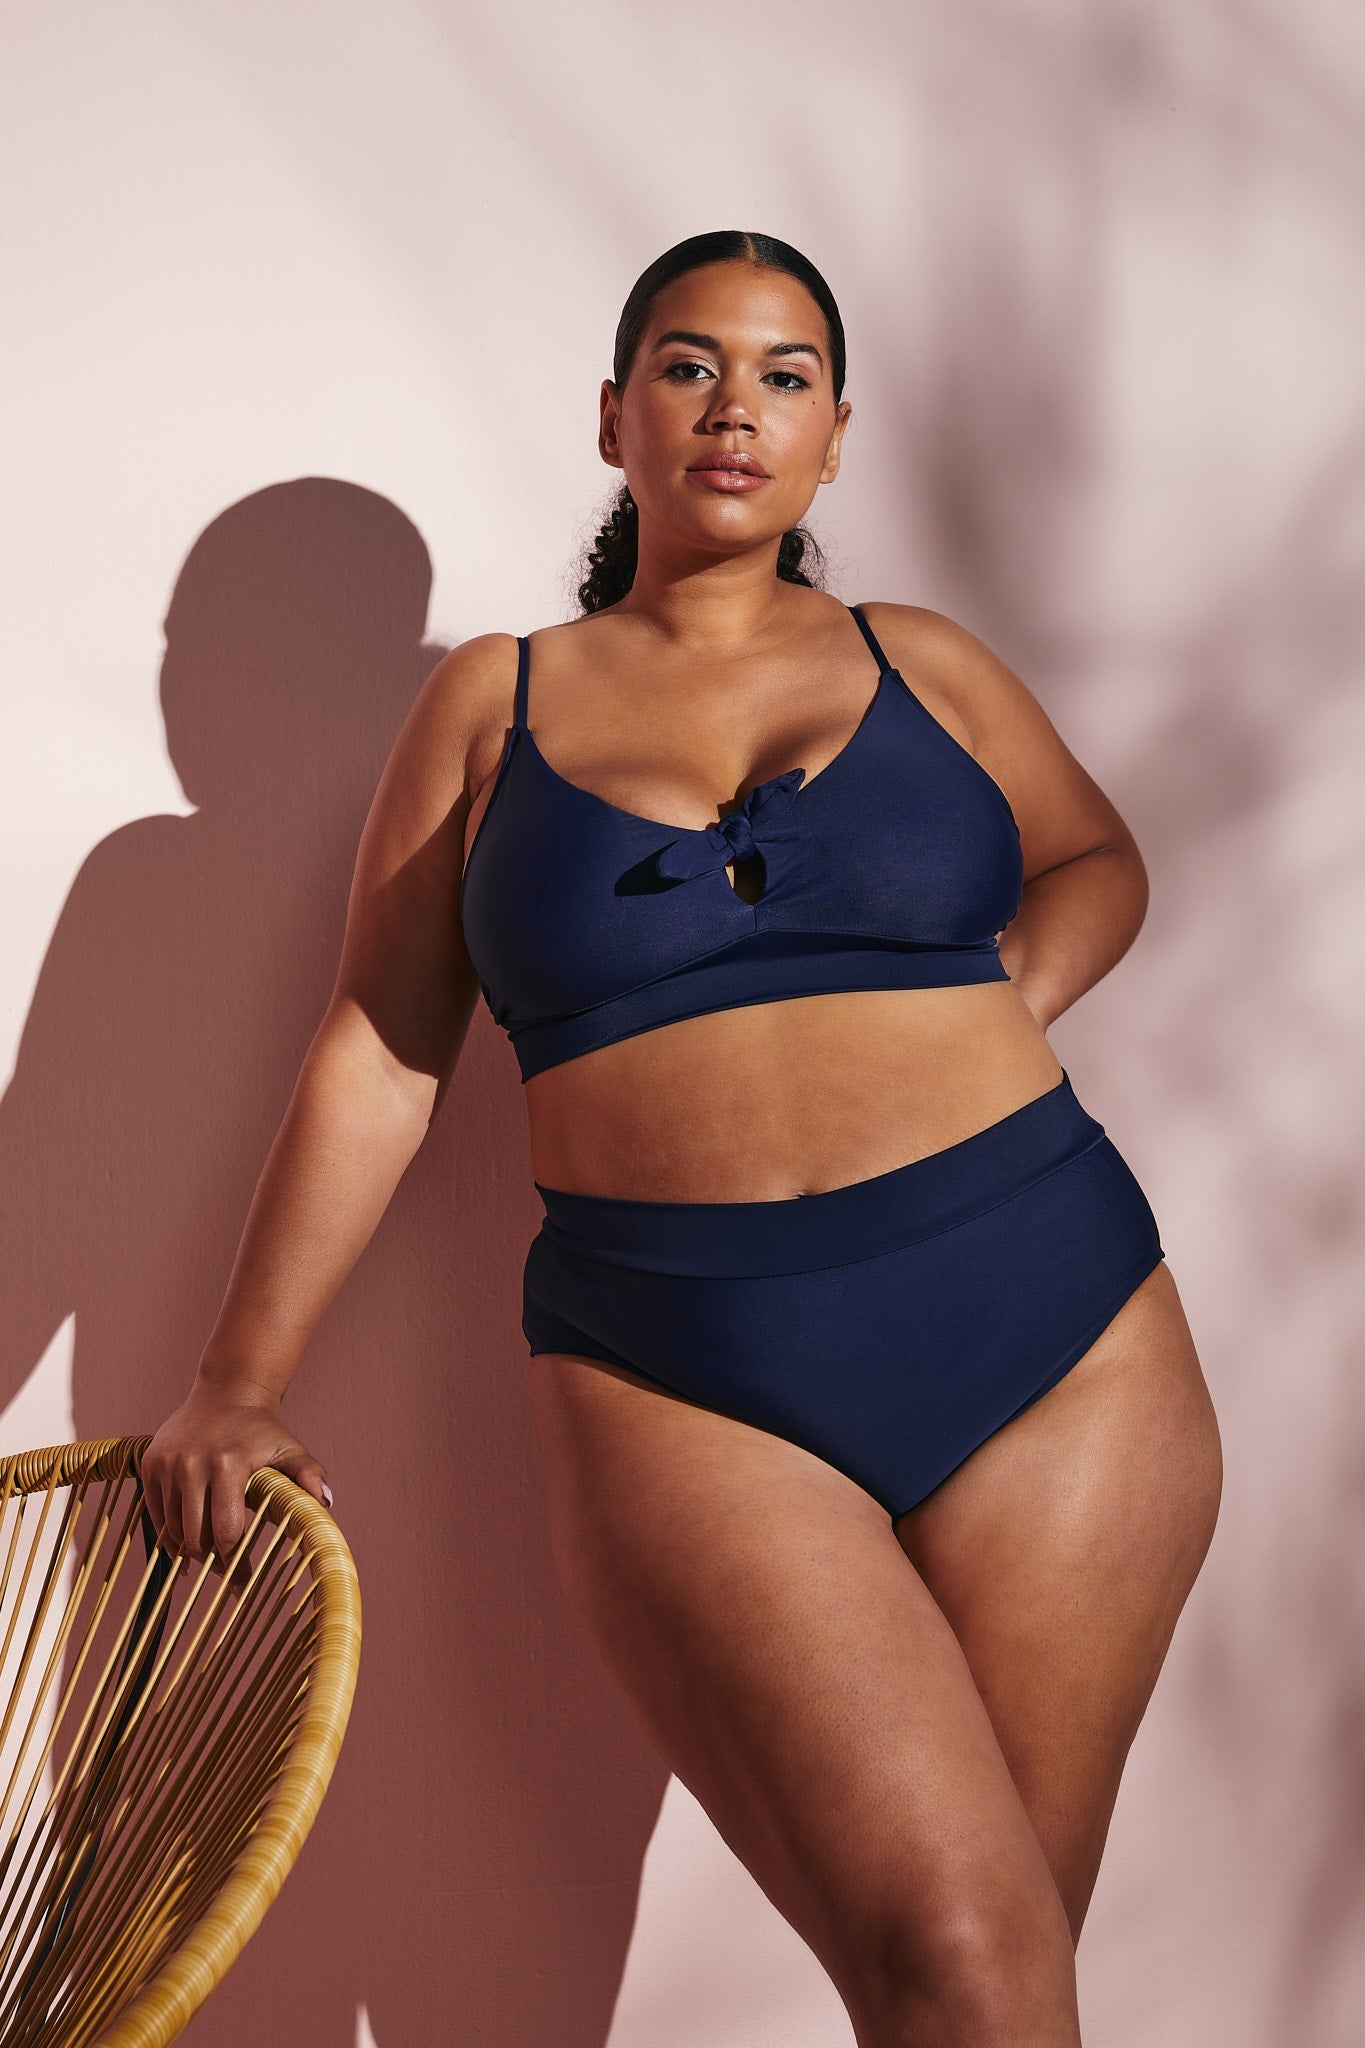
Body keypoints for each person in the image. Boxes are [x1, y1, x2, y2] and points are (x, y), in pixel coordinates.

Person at [144, 228, 1223, 2047]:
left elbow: (1096, 856)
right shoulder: (492, 703)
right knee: (962, 1955)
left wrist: (998, 1012)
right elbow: (383, 1050)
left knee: (983, 1984)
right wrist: (234, 1382)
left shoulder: (920, 660)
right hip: (685, 1372)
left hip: (1059, 1332)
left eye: (785, 375)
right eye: (690, 364)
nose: (737, 406)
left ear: (834, 436)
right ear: (613, 417)